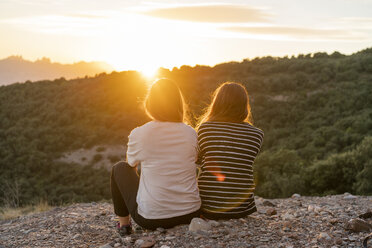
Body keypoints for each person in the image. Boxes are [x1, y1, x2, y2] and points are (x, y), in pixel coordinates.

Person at [110, 79, 201, 235]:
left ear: (150, 104)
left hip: (151, 219)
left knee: (119, 168)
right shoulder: (191, 133)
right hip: (191, 213)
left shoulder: (139, 133)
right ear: (179, 104)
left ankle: (124, 225)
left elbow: (131, 166)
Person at [196, 82, 264, 220]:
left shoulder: (205, 129)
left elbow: (197, 161)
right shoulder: (256, 134)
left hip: (207, 206)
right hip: (242, 208)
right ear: (244, 105)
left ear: (217, 103)